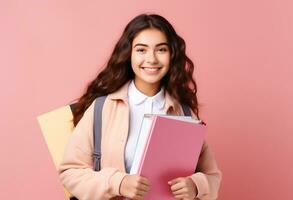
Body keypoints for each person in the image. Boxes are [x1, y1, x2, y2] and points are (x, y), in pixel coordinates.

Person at [58, 13, 222, 200]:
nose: (151, 59)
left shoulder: (184, 113)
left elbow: (212, 177)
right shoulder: (102, 108)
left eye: (161, 50)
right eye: (141, 50)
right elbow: (69, 172)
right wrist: (117, 183)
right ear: (129, 54)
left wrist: (195, 186)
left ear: (172, 54)